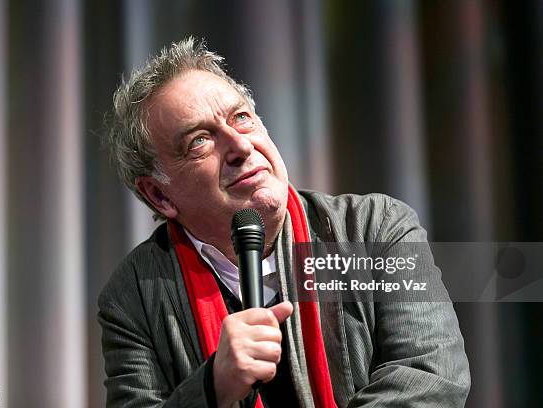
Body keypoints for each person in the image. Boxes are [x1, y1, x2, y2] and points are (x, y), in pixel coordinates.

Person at [98, 37, 470, 408]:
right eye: (199, 141)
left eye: (241, 118)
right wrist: (213, 386)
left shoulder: (377, 229)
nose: (240, 146)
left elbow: (429, 377)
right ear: (159, 195)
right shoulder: (134, 295)